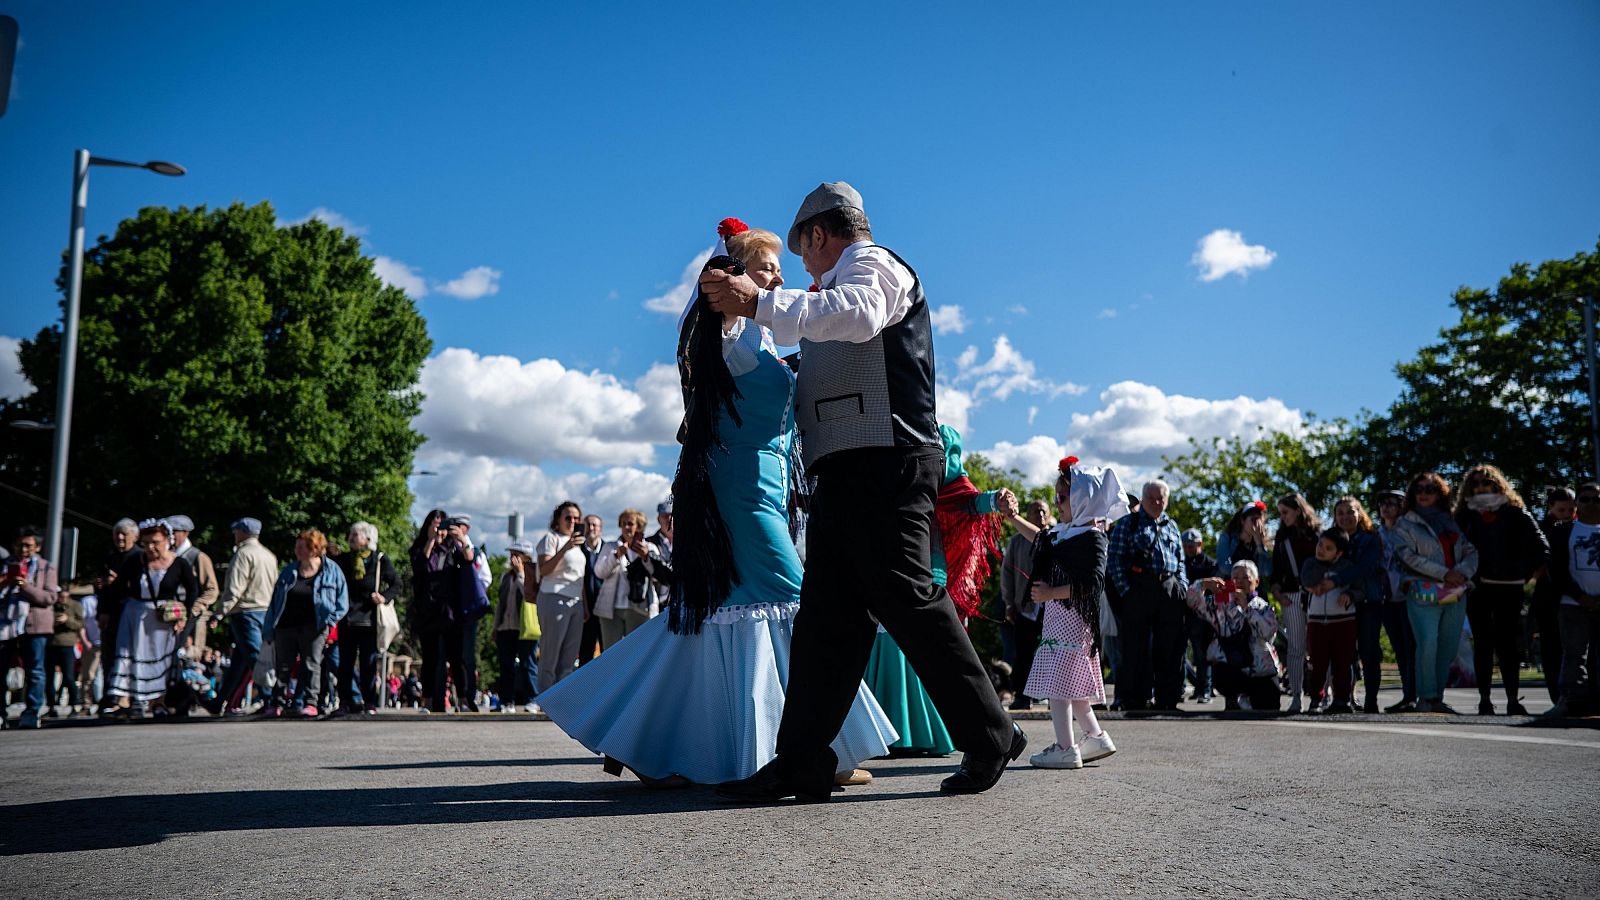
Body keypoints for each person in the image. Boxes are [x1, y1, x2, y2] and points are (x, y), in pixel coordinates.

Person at [542, 217, 897, 793]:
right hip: (741, 488)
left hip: (764, 487)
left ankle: (658, 746)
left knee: (721, 612)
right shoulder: (727, 335)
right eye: (765, 267)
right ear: (730, 277)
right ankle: (822, 750)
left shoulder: (758, 338)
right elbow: (722, 334)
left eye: (778, 267)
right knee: (796, 601)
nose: (778, 275)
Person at [702, 189, 1019, 800]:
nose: (802, 269)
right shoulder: (829, 295)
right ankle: (802, 759)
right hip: (849, 467)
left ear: (819, 235)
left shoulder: (872, 267)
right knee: (829, 618)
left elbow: (860, 314)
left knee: (906, 597)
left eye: (801, 253)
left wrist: (761, 302)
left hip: (887, 459)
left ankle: (990, 733)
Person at [864, 424, 1009, 755]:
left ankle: (927, 734)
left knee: (922, 642)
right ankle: (885, 731)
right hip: (887, 557)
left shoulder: (939, 442)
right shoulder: (882, 436)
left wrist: (994, 500)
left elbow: (966, 498)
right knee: (889, 640)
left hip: (928, 564)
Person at [1004, 458, 1125, 769]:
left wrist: (1049, 594)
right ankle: (1096, 737)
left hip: (1072, 624)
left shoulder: (1093, 537)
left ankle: (1065, 748)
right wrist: (1013, 517)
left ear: (1082, 499)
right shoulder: (1067, 532)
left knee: (1059, 688)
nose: (1057, 504)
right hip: (1062, 622)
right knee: (1075, 689)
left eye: (1061, 498)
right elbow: (1040, 538)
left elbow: (1090, 585)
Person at [1455, 464, 1548, 716]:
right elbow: (1453, 551)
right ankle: (1485, 698)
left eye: (1486, 483)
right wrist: (1468, 575)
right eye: (1475, 484)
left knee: (1509, 644)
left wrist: (1521, 572)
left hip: (1510, 588)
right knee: (1483, 644)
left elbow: (1542, 549)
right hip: (1478, 588)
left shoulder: (1517, 513)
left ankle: (1512, 698)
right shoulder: (1464, 516)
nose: (1481, 488)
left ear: (1497, 484)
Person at [1390, 472, 1479, 715]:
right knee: (1427, 642)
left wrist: (1461, 573)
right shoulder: (1405, 523)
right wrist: (1444, 573)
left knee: (1448, 647)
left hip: (1457, 592)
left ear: (1440, 492)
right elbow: (1408, 557)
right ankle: (1425, 697)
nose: (1424, 493)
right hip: (1422, 592)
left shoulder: (1453, 520)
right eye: (1418, 489)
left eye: (1430, 489)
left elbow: (1471, 551)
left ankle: (1437, 698)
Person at [1106, 480, 1189, 711]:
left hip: (1169, 589)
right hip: (1139, 589)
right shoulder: (1128, 524)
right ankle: (1135, 699)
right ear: (1143, 499)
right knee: (1135, 647)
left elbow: (1181, 560)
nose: (1157, 502)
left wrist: (1181, 585)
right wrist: (1127, 591)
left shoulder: (1171, 526)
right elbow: (1114, 559)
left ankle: (1168, 700)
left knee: (1170, 647)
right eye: (1152, 498)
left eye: (1161, 498)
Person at [106, 519, 199, 719]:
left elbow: (193, 590)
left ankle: (159, 702)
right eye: (146, 543)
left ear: (167, 540)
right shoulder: (136, 561)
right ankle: (131, 701)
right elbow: (117, 588)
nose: (150, 547)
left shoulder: (179, 563)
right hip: (136, 615)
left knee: (162, 661)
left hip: (163, 619)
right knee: (131, 656)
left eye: (155, 542)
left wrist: (184, 615)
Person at [261, 529, 349, 717]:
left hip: (315, 627)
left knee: (311, 664)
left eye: (302, 547)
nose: (297, 550)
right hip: (286, 626)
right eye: (297, 546)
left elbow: (342, 602)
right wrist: (269, 629)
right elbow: (275, 602)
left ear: (314, 548)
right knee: (283, 666)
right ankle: (277, 703)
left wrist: (329, 621)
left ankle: (311, 703)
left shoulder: (332, 570)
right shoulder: (289, 571)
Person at [1330, 497, 1402, 713]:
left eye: (1350, 511)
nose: (1345, 516)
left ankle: (1371, 700)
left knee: (1369, 652)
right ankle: (1343, 699)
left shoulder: (1371, 539)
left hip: (1369, 601)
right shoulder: (1332, 540)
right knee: (1344, 653)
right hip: (1341, 603)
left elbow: (1365, 567)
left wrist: (1336, 581)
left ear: (1359, 514)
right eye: (1340, 512)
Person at [206, 518, 279, 715]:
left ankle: (270, 698)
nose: (235, 534)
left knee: (256, 657)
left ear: (243, 532)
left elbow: (234, 590)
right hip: (264, 611)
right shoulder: (269, 555)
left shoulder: (243, 555)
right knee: (239, 661)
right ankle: (220, 700)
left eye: (236, 531)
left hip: (245, 612)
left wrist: (219, 614)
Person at [1187, 561, 1281, 710]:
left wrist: (1247, 607)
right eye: (1235, 577)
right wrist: (1203, 584)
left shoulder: (1262, 606)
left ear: (1256, 582)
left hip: (1261, 671)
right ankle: (1233, 698)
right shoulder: (1221, 603)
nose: (1240, 581)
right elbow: (1193, 602)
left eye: (1245, 577)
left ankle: (1249, 699)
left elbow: (1268, 632)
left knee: (1269, 706)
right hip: (1232, 666)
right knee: (1221, 671)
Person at [1542, 482, 1600, 718]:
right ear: (1577, 503)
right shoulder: (1563, 531)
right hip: (1572, 603)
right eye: (1585, 499)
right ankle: (1571, 701)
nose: (1591, 504)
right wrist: (1581, 596)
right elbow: (1555, 569)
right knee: (1574, 655)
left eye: (1597, 499)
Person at [333, 521, 399, 716]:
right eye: (351, 534)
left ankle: (369, 701)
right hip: (347, 618)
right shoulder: (343, 560)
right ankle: (345, 701)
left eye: (356, 535)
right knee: (344, 663)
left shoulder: (378, 560)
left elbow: (396, 583)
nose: (351, 538)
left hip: (369, 619)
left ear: (368, 539)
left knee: (369, 663)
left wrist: (383, 597)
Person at [1, 526, 65, 728]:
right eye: (19, 545)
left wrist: (25, 586)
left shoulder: (46, 567)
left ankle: (32, 712)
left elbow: (49, 598)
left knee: (35, 671)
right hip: (6, 627)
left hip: (34, 626)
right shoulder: (5, 565)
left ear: (37, 546)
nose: (23, 549)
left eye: (28, 545)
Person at [1299, 528, 1361, 715]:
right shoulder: (1310, 564)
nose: (1321, 550)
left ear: (1339, 552)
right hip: (1317, 622)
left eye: (1328, 548)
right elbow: (1306, 579)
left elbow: (1360, 590)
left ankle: (1342, 699)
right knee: (1317, 663)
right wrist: (1322, 574)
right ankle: (1316, 699)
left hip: (1343, 621)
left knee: (1343, 662)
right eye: (1320, 544)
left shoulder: (1348, 568)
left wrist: (1349, 595)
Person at [1002, 499, 1055, 711]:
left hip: (1051, 605)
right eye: (1035, 512)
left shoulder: (1057, 537)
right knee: (1023, 653)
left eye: (1043, 512)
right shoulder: (1017, 541)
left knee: (1052, 653)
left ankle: (1056, 697)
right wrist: (1009, 603)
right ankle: (1022, 696)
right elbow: (1007, 573)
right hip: (1025, 606)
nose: (1040, 516)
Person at [1271, 493, 1322, 714]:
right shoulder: (1282, 536)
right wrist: (1277, 592)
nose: (1282, 517)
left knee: (1319, 646)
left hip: (1317, 594)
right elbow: (1275, 568)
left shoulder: (1316, 534)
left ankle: (1322, 694)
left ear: (1298, 510)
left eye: (1285, 512)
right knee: (1295, 648)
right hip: (1291, 595)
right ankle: (1296, 696)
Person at [592, 509, 670, 648]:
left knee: (637, 650)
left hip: (640, 608)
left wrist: (646, 557)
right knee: (611, 651)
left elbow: (660, 575)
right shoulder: (610, 547)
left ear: (639, 526)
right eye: (623, 524)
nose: (626, 527)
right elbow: (599, 573)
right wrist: (615, 556)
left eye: (630, 523)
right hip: (612, 609)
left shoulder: (650, 547)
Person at [535, 501, 589, 691]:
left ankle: (561, 700)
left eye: (576, 518)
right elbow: (544, 570)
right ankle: (544, 698)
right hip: (554, 597)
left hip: (576, 602)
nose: (573, 521)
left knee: (569, 656)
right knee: (550, 653)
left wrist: (585, 607)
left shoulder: (579, 546)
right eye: (568, 517)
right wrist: (565, 548)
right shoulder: (551, 538)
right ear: (558, 520)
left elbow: (578, 577)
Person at [1532, 487, 1577, 702]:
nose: (1568, 514)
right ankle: (1556, 695)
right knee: (1552, 649)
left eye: (1571, 509)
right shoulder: (1542, 529)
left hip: (1575, 594)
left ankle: (1575, 693)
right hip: (1549, 597)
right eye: (1562, 510)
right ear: (1550, 507)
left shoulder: (1579, 527)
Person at [93, 518, 142, 691]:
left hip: (131, 613)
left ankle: (128, 695)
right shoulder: (110, 557)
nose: (120, 538)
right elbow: (102, 590)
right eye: (117, 534)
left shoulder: (140, 557)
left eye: (124, 534)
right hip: (110, 615)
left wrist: (118, 582)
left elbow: (140, 587)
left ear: (135, 537)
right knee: (108, 657)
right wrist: (99, 586)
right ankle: (109, 694)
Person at [407, 509, 449, 709]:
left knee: (450, 657)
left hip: (447, 610)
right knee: (430, 656)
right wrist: (430, 542)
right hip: (426, 611)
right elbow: (419, 566)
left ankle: (448, 699)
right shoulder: (419, 548)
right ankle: (428, 698)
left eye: (442, 526)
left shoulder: (450, 549)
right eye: (435, 525)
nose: (438, 530)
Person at [493, 540, 539, 713]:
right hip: (506, 627)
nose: (512, 559)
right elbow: (500, 603)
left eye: (516, 555)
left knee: (528, 663)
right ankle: (506, 701)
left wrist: (521, 573)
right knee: (506, 666)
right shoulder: (506, 576)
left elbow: (529, 595)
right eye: (511, 554)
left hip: (525, 628)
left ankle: (532, 699)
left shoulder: (532, 574)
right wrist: (495, 627)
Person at [168, 515, 220, 655]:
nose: (170, 536)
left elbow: (212, 589)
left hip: (186, 616)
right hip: (165, 613)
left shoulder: (198, 557)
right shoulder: (166, 556)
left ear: (185, 533)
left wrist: (193, 609)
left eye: (174, 531)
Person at [1181, 528, 1217, 703]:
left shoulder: (1210, 565)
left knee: (1202, 654)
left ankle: (1206, 690)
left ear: (1199, 544)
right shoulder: (1181, 563)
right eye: (1186, 546)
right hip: (1183, 613)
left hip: (1202, 615)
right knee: (1180, 652)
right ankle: (1189, 686)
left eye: (1191, 546)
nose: (1188, 549)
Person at [43, 589, 85, 717]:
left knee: (69, 677)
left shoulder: (75, 606)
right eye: (60, 596)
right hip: (51, 644)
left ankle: (74, 705)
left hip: (67, 645)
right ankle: (51, 706)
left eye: (64, 596)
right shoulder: (51, 604)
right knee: (49, 678)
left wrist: (67, 620)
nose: (62, 599)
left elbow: (80, 624)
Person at [1214, 501, 1273, 580]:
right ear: (1242, 520)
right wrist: (1245, 576)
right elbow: (1224, 566)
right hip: (1230, 587)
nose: (1257, 525)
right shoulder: (1227, 538)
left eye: (1260, 521)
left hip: (1252, 590)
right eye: (1253, 520)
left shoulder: (1260, 543)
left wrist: (1259, 543)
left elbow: (1265, 571)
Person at [577, 514, 605, 665]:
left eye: (595, 525)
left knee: (607, 650)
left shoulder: (608, 549)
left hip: (605, 609)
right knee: (585, 653)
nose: (591, 528)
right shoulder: (577, 550)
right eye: (588, 524)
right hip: (585, 610)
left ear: (601, 529)